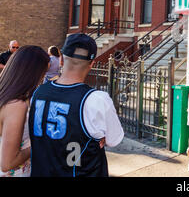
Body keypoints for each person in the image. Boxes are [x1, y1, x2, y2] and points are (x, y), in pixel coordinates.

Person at [28, 33, 124, 177]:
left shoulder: (38, 92)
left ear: (61, 59)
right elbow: (114, 139)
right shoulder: (96, 99)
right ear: (91, 64)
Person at [0, 45, 50, 177]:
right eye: (43, 73)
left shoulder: (5, 96)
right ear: (32, 74)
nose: (43, 79)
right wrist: (41, 142)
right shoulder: (16, 105)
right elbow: (8, 163)